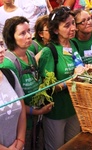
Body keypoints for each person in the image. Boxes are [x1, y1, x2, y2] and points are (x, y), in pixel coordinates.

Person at [0, 16, 53, 150]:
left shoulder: (30, 55)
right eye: (22, 33)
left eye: (29, 31)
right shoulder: (8, 63)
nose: (29, 36)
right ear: (12, 37)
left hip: (34, 120)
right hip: (18, 125)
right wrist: (36, 111)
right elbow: (16, 100)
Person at [35, 6, 83, 150]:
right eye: (67, 25)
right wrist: (71, 81)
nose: (73, 28)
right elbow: (47, 88)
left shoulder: (74, 44)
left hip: (74, 108)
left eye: (73, 23)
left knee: (74, 145)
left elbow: (78, 66)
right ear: (55, 30)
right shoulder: (49, 52)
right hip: (56, 112)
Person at [0, 37, 26, 150]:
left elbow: (22, 111)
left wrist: (20, 141)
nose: (2, 49)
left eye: (1, 44)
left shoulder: (9, 75)